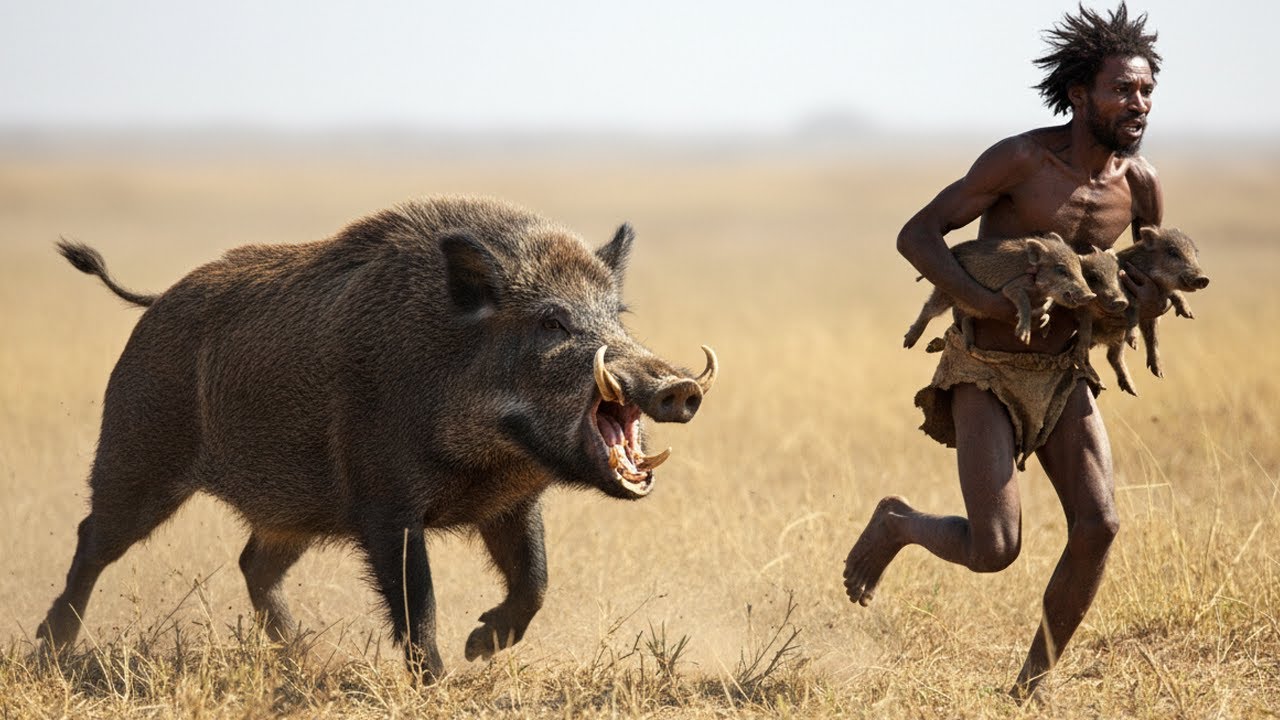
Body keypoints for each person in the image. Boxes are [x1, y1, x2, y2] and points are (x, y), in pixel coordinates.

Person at [842, 3, 1169, 700]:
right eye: (1122, 89)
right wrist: (983, 301)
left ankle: (1030, 687)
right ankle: (899, 523)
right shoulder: (1021, 159)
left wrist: (1148, 300)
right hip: (984, 370)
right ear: (1080, 95)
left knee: (1100, 524)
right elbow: (919, 233)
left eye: (1145, 90)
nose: (1137, 102)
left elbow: (1142, 278)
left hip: (1063, 374)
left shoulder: (1139, 186)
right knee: (995, 550)